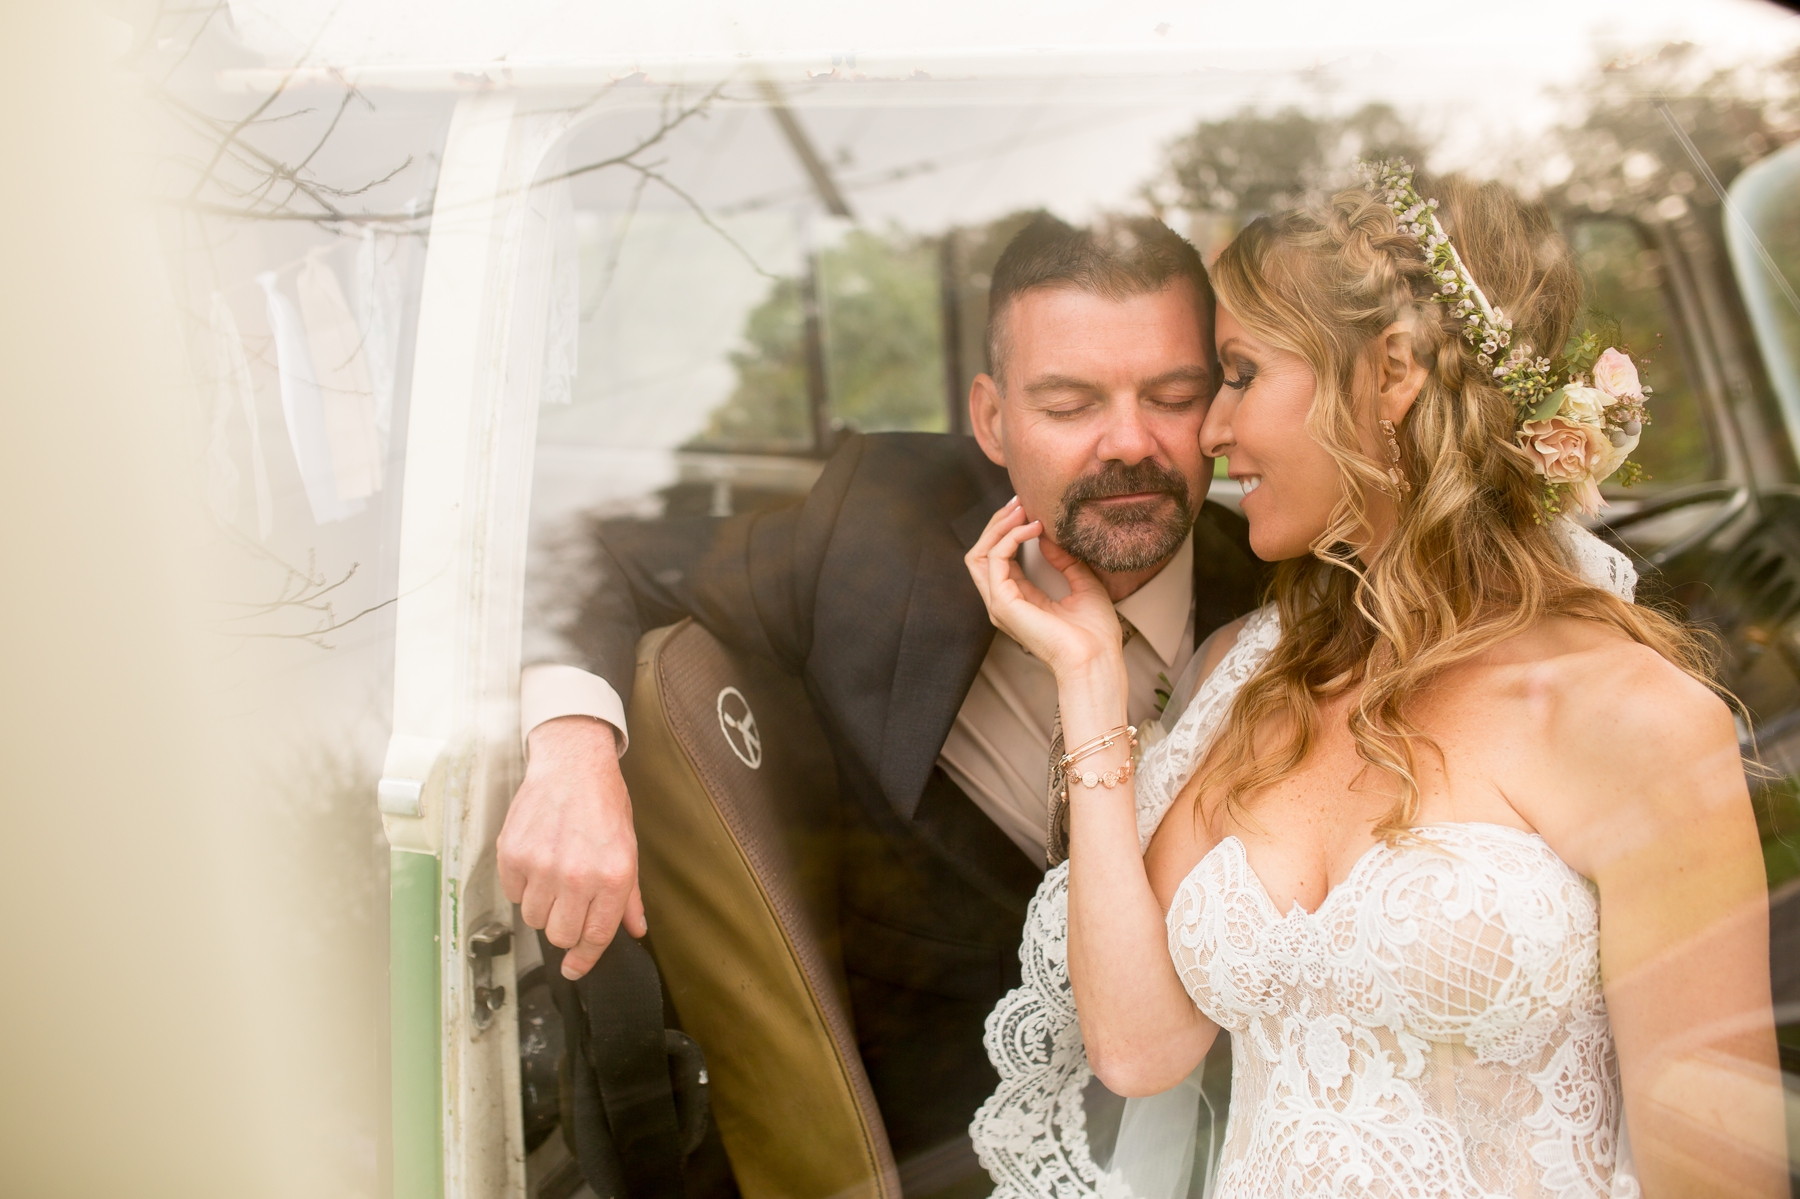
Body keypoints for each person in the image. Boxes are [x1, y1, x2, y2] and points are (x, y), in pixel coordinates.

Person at [966, 165, 1787, 1198]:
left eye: (1240, 374)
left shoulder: (1633, 719)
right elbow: (1139, 1048)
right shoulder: (1249, 679)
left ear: (1390, 370)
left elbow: (1721, 1183)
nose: (1209, 432)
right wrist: (1086, 674)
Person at [497, 212, 1267, 1189]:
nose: (1129, 442)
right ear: (991, 420)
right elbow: (579, 551)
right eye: (1070, 404)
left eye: (1174, 397)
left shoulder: (1287, 598)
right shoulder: (875, 527)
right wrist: (572, 746)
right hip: (924, 1149)